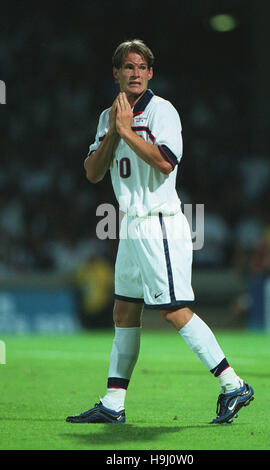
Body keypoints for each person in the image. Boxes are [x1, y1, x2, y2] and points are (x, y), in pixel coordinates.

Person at [66, 39, 254, 425]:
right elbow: (91, 171)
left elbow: (166, 162)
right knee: (124, 310)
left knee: (173, 310)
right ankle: (114, 403)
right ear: (116, 73)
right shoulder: (108, 117)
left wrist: (127, 131)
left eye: (141, 67)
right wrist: (115, 132)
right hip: (131, 225)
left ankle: (233, 384)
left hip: (160, 223)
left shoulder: (163, 111)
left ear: (150, 73)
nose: (134, 73)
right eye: (127, 67)